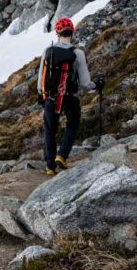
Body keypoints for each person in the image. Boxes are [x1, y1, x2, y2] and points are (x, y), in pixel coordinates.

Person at [37, 17, 94, 176]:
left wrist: (42, 94)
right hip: (70, 96)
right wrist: (96, 86)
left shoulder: (48, 51)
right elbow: (85, 83)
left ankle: (50, 167)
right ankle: (62, 155)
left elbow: (41, 77)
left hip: (51, 97)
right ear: (72, 32)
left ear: (57, 33)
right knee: (73, 124)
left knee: (50, 130)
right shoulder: (78, 53)